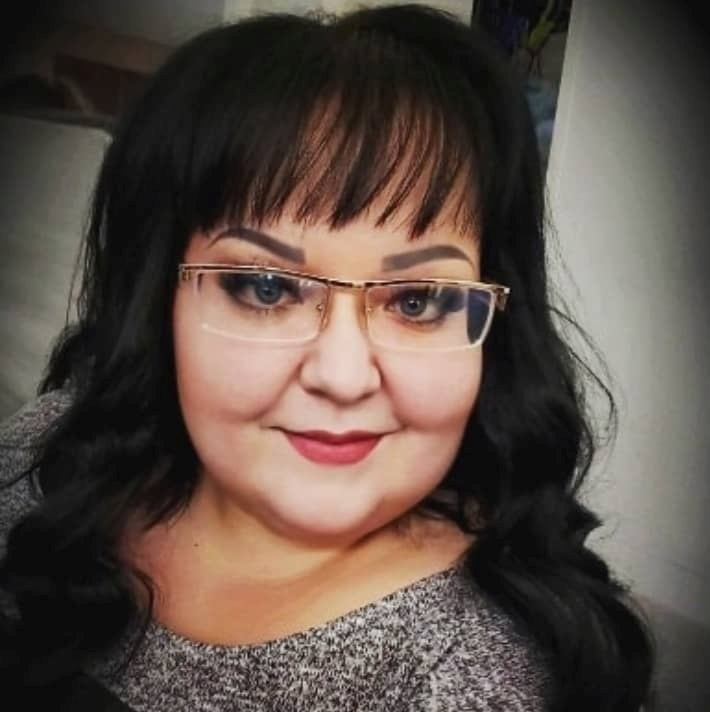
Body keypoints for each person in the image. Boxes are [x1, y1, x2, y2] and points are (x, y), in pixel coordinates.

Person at [0, 4, 655, 710]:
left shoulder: (472, 680)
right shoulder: (45, 455)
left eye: (417, 300)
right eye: (266, 287)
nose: (343, 378)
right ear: (157, 300)